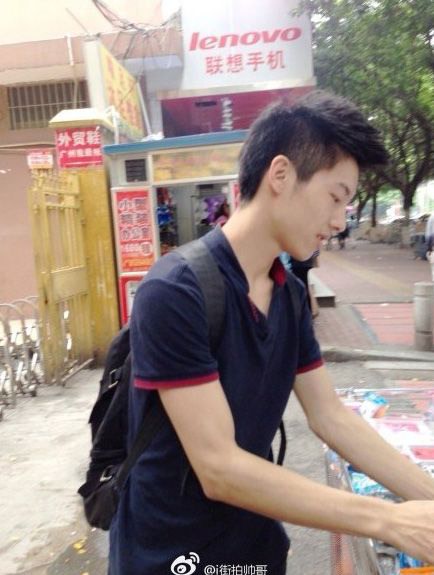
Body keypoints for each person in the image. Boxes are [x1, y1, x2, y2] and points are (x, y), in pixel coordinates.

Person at [109, 91, 434, 574]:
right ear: (280, 175)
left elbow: (330, 416)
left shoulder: (288, 295)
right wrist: (389, 521)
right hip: (171, 553)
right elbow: (219, 468)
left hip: (253, 545)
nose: (339, 222)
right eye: (335, 197)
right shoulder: (176, 290)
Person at [291, 251, 320, 317]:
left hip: (298, 262)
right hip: (303, 261)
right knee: (304, 285)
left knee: (302, 287)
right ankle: (308, 311)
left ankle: (307, 312)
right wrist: (315, 257)